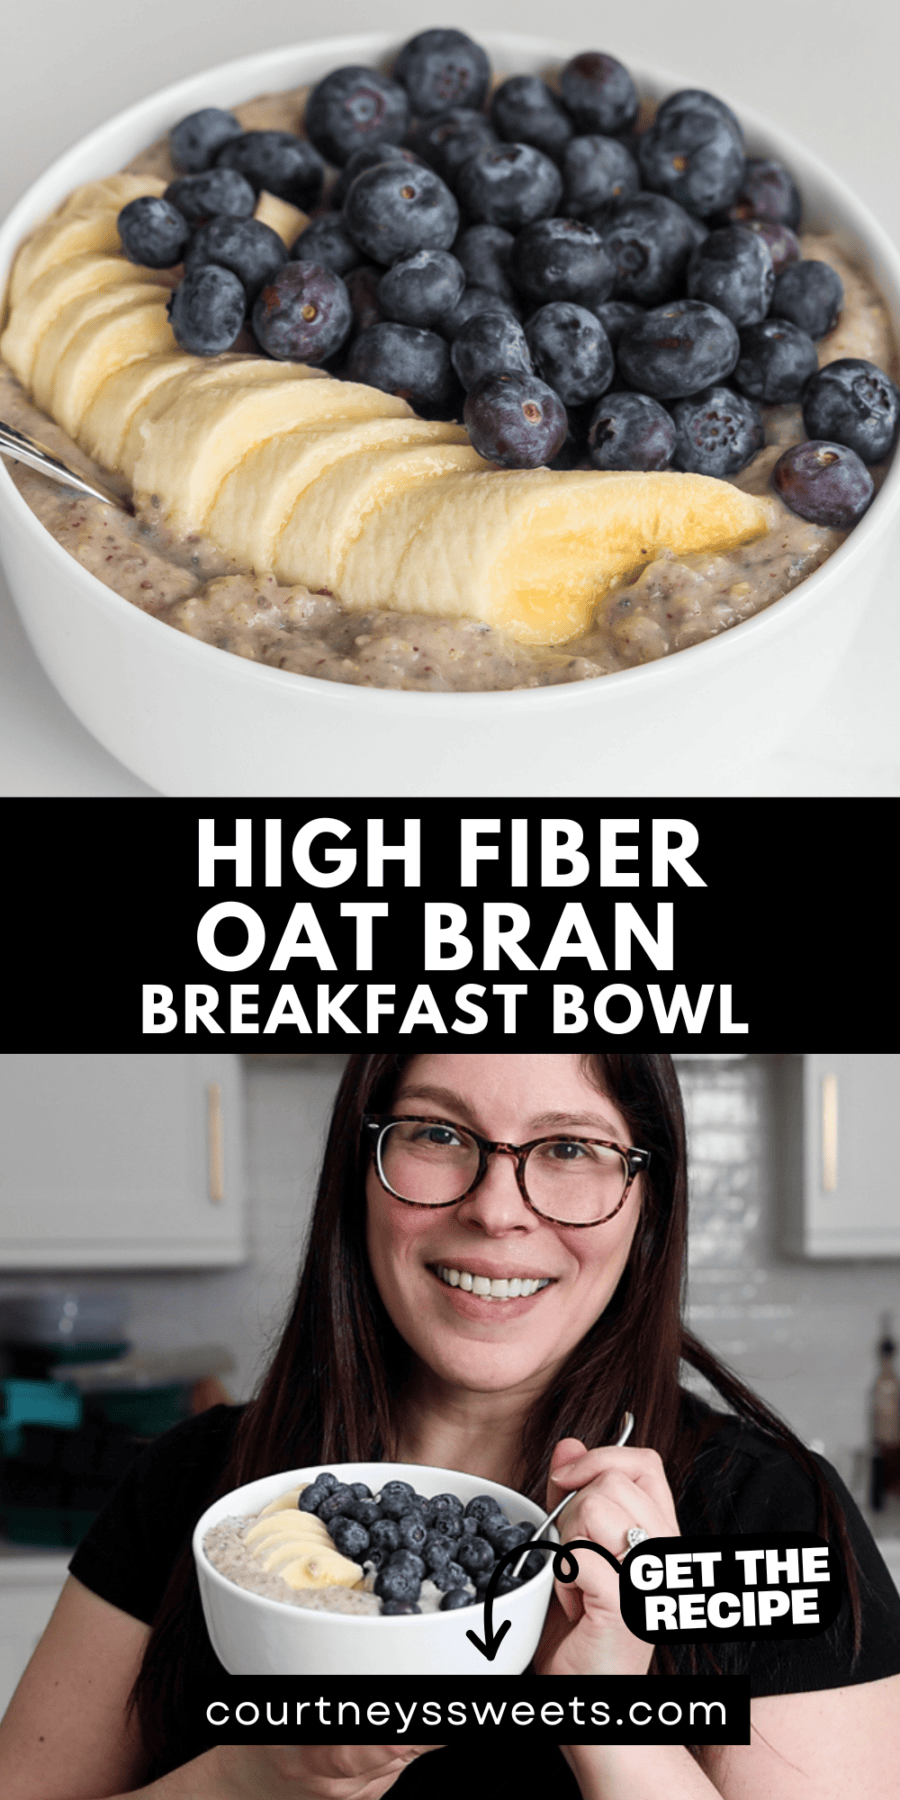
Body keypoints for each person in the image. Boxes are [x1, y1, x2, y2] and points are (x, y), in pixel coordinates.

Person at [2, 1052, 900, 1800]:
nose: (497, 1209)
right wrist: (252, 1777)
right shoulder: (196, 1486)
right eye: (438, 1133)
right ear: (360, 1169)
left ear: (647, 1201)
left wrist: (609, 1718)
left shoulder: (776, 1520)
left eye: (570, 1148)